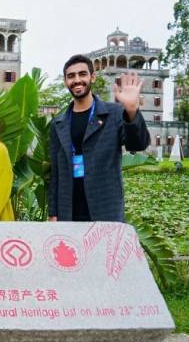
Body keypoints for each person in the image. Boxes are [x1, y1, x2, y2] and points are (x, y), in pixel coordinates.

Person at [49, 54, 150, 222]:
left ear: (92, 77)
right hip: (69, 208)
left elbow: (137, 144)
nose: (77, 80)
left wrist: (132, 111)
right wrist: (53, 212)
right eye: (71, 76)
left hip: (104, 207)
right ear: (66, 81)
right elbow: (56, 172)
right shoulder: (59, 123)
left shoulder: (114, 114)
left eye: (82, 74)